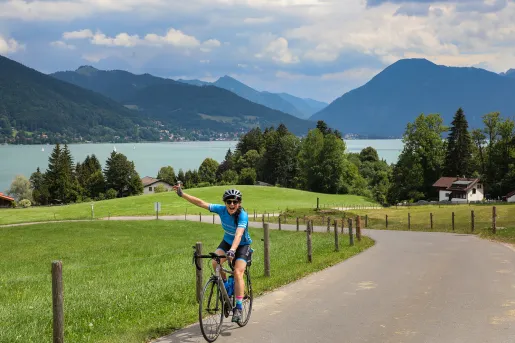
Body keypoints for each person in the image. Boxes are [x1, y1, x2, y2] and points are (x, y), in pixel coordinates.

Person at [172, 182, 252, 323]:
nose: (232, 204)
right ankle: (227, 284)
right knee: (215, 262)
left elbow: (239, 235)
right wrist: (182, 194)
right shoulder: (221, 210)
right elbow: (201, 203)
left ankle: (238, 307)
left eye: (235, 202)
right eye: (229, 202)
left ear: (239, 203)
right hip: (227, 241)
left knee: (239, 272)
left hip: (242, 245)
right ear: (225, 203)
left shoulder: (242, 215)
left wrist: (233, 251)